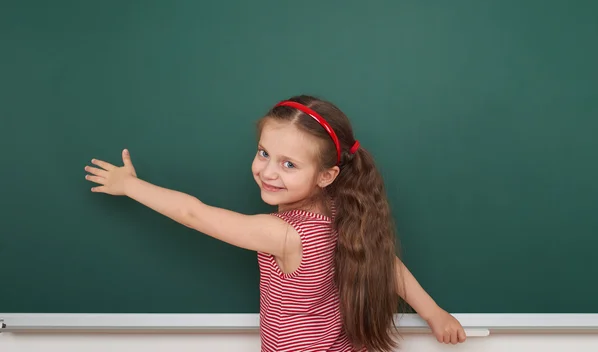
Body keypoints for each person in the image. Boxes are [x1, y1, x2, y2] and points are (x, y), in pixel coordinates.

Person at [85, 95, 466, 351]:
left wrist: (130, 186)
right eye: (264, 153)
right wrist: (434, 313)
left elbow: (193, 213)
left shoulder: (284, 234)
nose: (267, 171)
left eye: (289, 164)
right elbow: (386, 263)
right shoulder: (340, 211)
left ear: (326, 175)